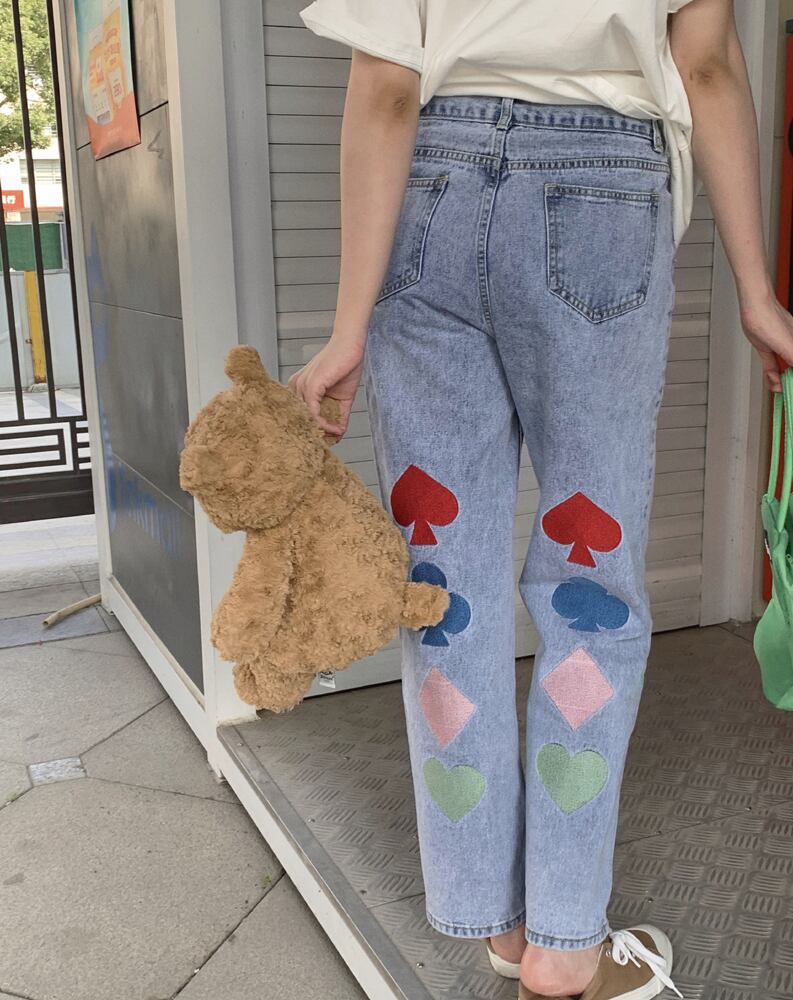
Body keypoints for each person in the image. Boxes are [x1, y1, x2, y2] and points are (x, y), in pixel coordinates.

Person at [288, 3, 793, 998]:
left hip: (427, 188)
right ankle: (566, 945)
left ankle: (502, 922)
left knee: (442, 591)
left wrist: (347, 328)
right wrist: (755, 290)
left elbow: (385, 87)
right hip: (600, 189)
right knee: (588, 593)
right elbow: (706, 66)